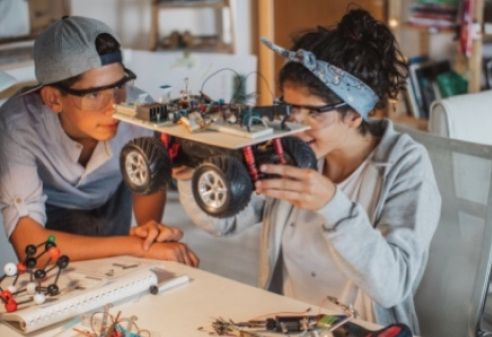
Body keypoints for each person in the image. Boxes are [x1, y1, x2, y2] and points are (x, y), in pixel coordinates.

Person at [175, 9, 440, 333]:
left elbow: (392, 285)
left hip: (362, 329)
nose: (293, 126)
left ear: (354, 115)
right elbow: (226, 223)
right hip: (287, 323)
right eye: (288, 108)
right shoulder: (289, 149)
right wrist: (191, 176)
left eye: (313, 113)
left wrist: (333, 206)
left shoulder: (406, 166)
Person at [0, 16, 198, 267]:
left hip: (113, 197)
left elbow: (149, 176)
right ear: (53, 99)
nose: (114, 106)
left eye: (119, 86)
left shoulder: (136, 107)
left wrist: (150, 232)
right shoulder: (16, 125)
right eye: (94, 94)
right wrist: (138, 247)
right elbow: (32, 248)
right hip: (52, 211)